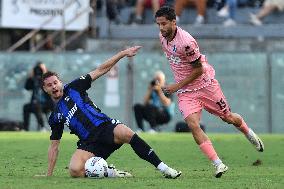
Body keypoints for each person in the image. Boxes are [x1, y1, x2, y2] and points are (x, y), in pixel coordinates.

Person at [155, 6, 264, 178]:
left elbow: (198, 70)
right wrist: (180, 86)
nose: (161, 28)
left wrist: (175, 86)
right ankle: (218, 164)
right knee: (193, 125)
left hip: (205, 85)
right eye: (158, 24)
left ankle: (247, 132)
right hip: (186, 91)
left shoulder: (187, 42)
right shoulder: (163, 37)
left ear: (174, 22)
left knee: (228, 118)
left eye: (164, 24)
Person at [41, 46, 181, 179]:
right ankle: (110, 172)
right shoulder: (55, 116)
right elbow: (54, 146)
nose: (53, 86)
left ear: (60, 82)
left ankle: (165, 169)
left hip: (105, 126)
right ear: (45, 89)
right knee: (75, 170)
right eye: (49, 85)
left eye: (55, 82)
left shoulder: (75, 87)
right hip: (89, 142)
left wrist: (122, 53)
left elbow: (101, 69)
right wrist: (48, 174)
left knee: (128, 134)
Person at [23, 62, 53, 131]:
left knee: (36, 105)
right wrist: (31, 77)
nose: (39, 71)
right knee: (26, 107)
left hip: (47, 104)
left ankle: (42, 127)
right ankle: (25, 128)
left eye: (41, 69)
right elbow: (27, 87)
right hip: (35, 104)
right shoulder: (34, 79)